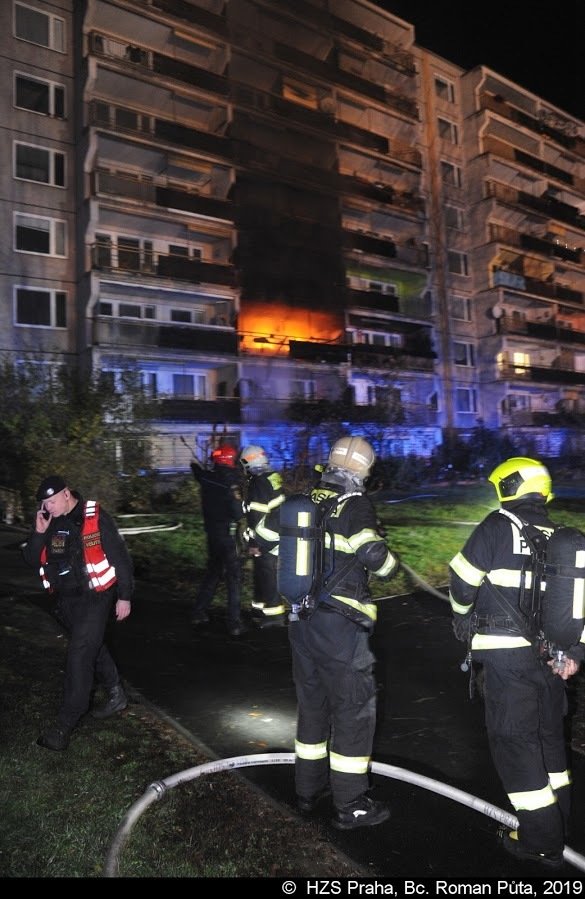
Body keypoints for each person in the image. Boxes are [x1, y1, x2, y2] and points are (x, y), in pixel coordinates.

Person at [256, 436, 400, 829]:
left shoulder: (302, 501)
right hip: (340, 625)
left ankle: (307, 790)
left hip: (300, 619)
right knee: (354, 710)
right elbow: (376, 559)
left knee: (313, 705)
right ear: (362, 472)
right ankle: (351, 803)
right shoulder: (355, 505)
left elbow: (263, 539)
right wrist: (390, 560)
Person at [449, 456, 585, 868]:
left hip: (505, 659)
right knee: (547, 741)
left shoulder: (497, 525)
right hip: (550, 660)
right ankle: (557, 820)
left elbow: (461, 579)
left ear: (507, 487)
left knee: (515, 743)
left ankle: (541, 842)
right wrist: (575, 654)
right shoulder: (560, 537)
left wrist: (459, 616)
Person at [22, 474, 134, 751]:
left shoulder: (93, 517)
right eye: (44, 503)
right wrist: (38, 532)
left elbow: (120, 557)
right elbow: (31, 559)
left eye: (51, 500)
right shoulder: (50, 522)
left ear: (66, 493)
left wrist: (125, 596)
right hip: (67, 602)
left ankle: (64, 725)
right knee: (91, 647)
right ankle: (115, 693)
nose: (48, 507)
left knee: (79, 655)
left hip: (96, 598)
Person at [190, 444, 246, 636]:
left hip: (212, 535)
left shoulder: (207, 477)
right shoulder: (231, 482)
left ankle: (198, 612)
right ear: (230, 460)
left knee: (212, 573)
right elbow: (238, 513)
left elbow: (198, 473)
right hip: (228, 537)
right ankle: (234, 623)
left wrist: (197, 467)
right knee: (234, 578)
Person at [239, 445, 287, 628]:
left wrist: (255, 542)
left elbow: (256, 515)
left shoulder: (258, 482)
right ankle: (258, 609)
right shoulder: (272, 477)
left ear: (248, 463)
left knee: (267, 575)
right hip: (275, 535)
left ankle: (275, 616)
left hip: (266, 539)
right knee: (261, 574)